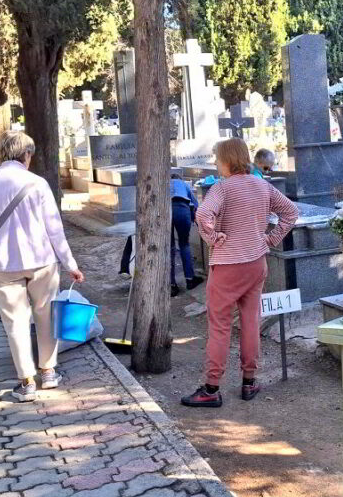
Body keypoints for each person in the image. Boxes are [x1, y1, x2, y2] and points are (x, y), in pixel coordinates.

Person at [0, 131, 84, 403]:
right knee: (46, 315)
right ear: (26, 154)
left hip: (1, 263)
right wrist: (70, 264)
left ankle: (26, 381)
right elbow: (55, 230)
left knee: (15, 322)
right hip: (41, 260)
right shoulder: (38, 183)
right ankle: (49, 371)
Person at [181, 138, 298, 408]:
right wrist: (270, 239)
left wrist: (212, 238)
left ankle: (211, 388)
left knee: (220, 327)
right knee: (250, 322)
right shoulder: (262, 184)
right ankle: (249, 381)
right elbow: (290, 212)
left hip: (227, 266)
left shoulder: (221, 188)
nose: (215, 163)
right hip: (256, 263)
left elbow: (202, 216)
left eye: (217, 158)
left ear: (227, 160)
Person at [117, 173, 204, 296]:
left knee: (169, 248)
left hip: (165, 211)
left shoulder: (163, 185)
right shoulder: (183, 184)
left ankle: (172, 285)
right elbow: (195, 205)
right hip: (182, 210)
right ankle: (190, 279)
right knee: (184, 244)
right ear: (179, 179)